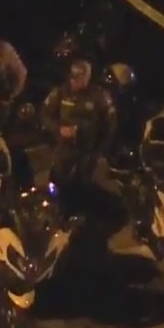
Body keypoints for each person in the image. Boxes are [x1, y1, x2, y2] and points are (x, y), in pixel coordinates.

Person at [40, 59, 118, 213]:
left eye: (80, 78)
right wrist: (59, 129)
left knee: (82, 184)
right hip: (65, 147)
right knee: (56, 180)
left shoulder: (100, 96)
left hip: (88, 150)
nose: (75, 81)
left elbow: (110, 125)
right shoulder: (61, 93)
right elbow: (45, 114)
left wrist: (100, 150)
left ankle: (77, 212)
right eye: (73, 77)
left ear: (87, 77)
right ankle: (55, 209)